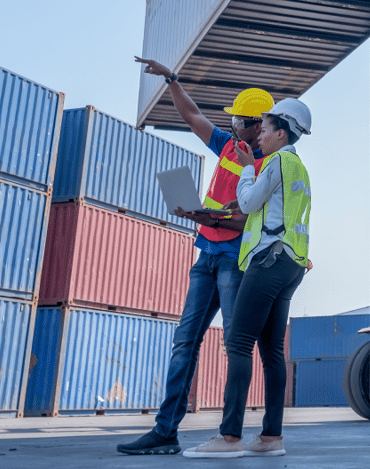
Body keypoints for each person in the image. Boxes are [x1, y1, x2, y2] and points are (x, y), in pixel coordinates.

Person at [116, 56, 272, 456]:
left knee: (235, 346)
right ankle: (165, 431)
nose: (232, 125)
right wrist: (171, 79)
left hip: (235, 261)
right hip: (206, 257)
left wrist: (210, 217)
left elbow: (252, 221)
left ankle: (230, 435)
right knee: (184, 342)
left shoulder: (268, 164)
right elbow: (192, 116)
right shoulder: (227, 145)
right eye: (232, 119)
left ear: (259, 125)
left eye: (239, 120)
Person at [182, 98, 313, 459]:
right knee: (272, 352)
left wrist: (245, 169)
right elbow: (269, 210)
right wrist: (234, 208)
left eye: (266, 129)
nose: (260, 137)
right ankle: (271, 437)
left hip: (268, 261)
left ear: (281, 133)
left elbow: (252, 201)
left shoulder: (277, 161)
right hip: (291, 263)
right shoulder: (298, 167)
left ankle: (229, 438)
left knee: (238, 343)